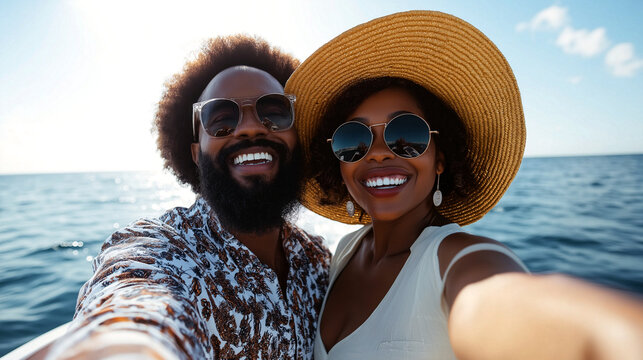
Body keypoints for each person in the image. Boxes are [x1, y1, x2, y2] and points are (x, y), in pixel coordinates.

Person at [285, 11, 643, 360]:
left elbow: (517, 310)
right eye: (354, 139)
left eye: (406, 134)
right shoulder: (345, 251)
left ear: (441, 157)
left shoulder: (460, 262)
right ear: (338, 162)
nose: (378, 154)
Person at [46, 35, 331, 359]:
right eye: (221, 119)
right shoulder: (165, 249)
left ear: (299, 137)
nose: (250, 128)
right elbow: (133, 300)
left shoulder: (318, 261)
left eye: (275, 112)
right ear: (196, 153)